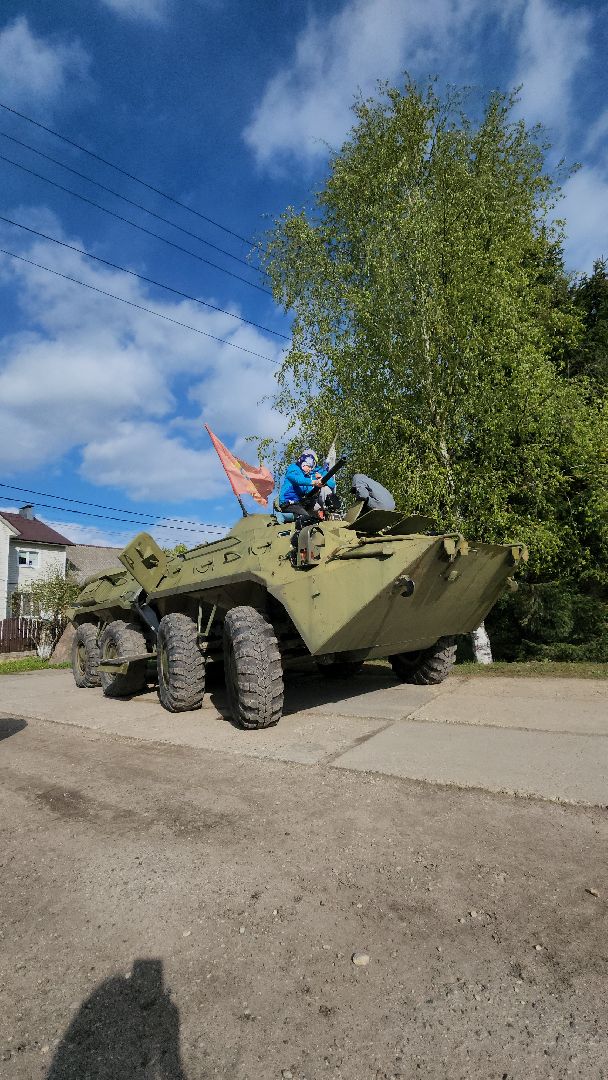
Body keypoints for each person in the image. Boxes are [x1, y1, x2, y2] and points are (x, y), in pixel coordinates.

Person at [279, 448, 325, 525]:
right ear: (304, 461)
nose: (310, 469)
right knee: (305, 517)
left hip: (297, 503)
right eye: (310, 466)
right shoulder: (293, 468)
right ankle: (283, 516)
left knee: (312, 518)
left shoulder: (306, 477)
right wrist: (314, 482)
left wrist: (318, 486)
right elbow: (298, 480)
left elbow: (308, 491)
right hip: (287, 502)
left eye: (312, 467)